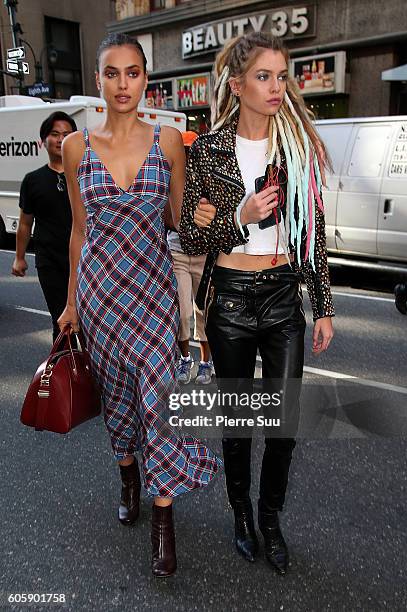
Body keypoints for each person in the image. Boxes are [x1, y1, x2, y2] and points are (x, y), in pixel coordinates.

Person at [57, 33, 220, 577]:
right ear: (98, 81)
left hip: (152, 296)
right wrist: (71, 302)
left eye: (132, 73)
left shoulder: (169, 140)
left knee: (159, 402)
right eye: (111, 73)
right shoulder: (76, 147)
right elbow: (80, 232)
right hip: (101, 297)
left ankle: (163, 520)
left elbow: (176, 218)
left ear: (145, 79)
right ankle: (128, 473)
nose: (122, 84)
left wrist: (202, 215)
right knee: (122, 407)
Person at [179, 32, 334, 575]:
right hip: (231, 302)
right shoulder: (209, 149)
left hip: (283, 297)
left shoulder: (296, 151)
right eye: (264, 76)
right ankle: (241, 515)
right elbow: (192, 239)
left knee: (284, 423)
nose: (275, 87)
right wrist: (239, 216)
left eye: (281, 76)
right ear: (238, 83)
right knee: (240, 424)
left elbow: (310, 233)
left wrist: (324, 306)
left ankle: (271, 519)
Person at [12, 112, 77, 341]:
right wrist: (19, 257)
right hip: (49, 261)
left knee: (91, 322)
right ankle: (63, 373)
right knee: (61, 321)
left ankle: (92, 371)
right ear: (43, 140)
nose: (60, 139)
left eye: (67, 135)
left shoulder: (84, 174)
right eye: (54, 134)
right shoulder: (33, 180)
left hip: (84, 260)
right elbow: (24, 223)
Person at [167, 130, 214, 385]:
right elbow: (167, 219)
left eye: (191, 150)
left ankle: (206, 363)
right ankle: (184, 359)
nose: (187, 155)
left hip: (205, 254)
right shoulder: (170, 179)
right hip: (177, 252)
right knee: (183, 312)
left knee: (204, 312)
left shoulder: (208, 180)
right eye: (183, 151)